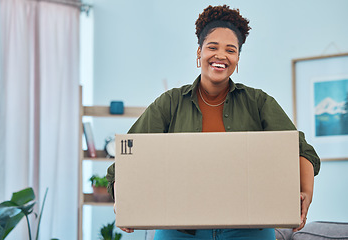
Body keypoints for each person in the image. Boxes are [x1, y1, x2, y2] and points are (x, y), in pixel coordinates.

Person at [106, 4, 320, 240]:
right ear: (199, 52)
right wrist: (123, 202)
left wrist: (305, 194)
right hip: (180, 232)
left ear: (238, 58)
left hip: (249, 231)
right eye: (212, 47)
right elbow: (128, 157)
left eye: (231, 50)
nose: (221, 56)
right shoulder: (170, 103)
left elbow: (301, 151)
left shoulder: (258, 102)